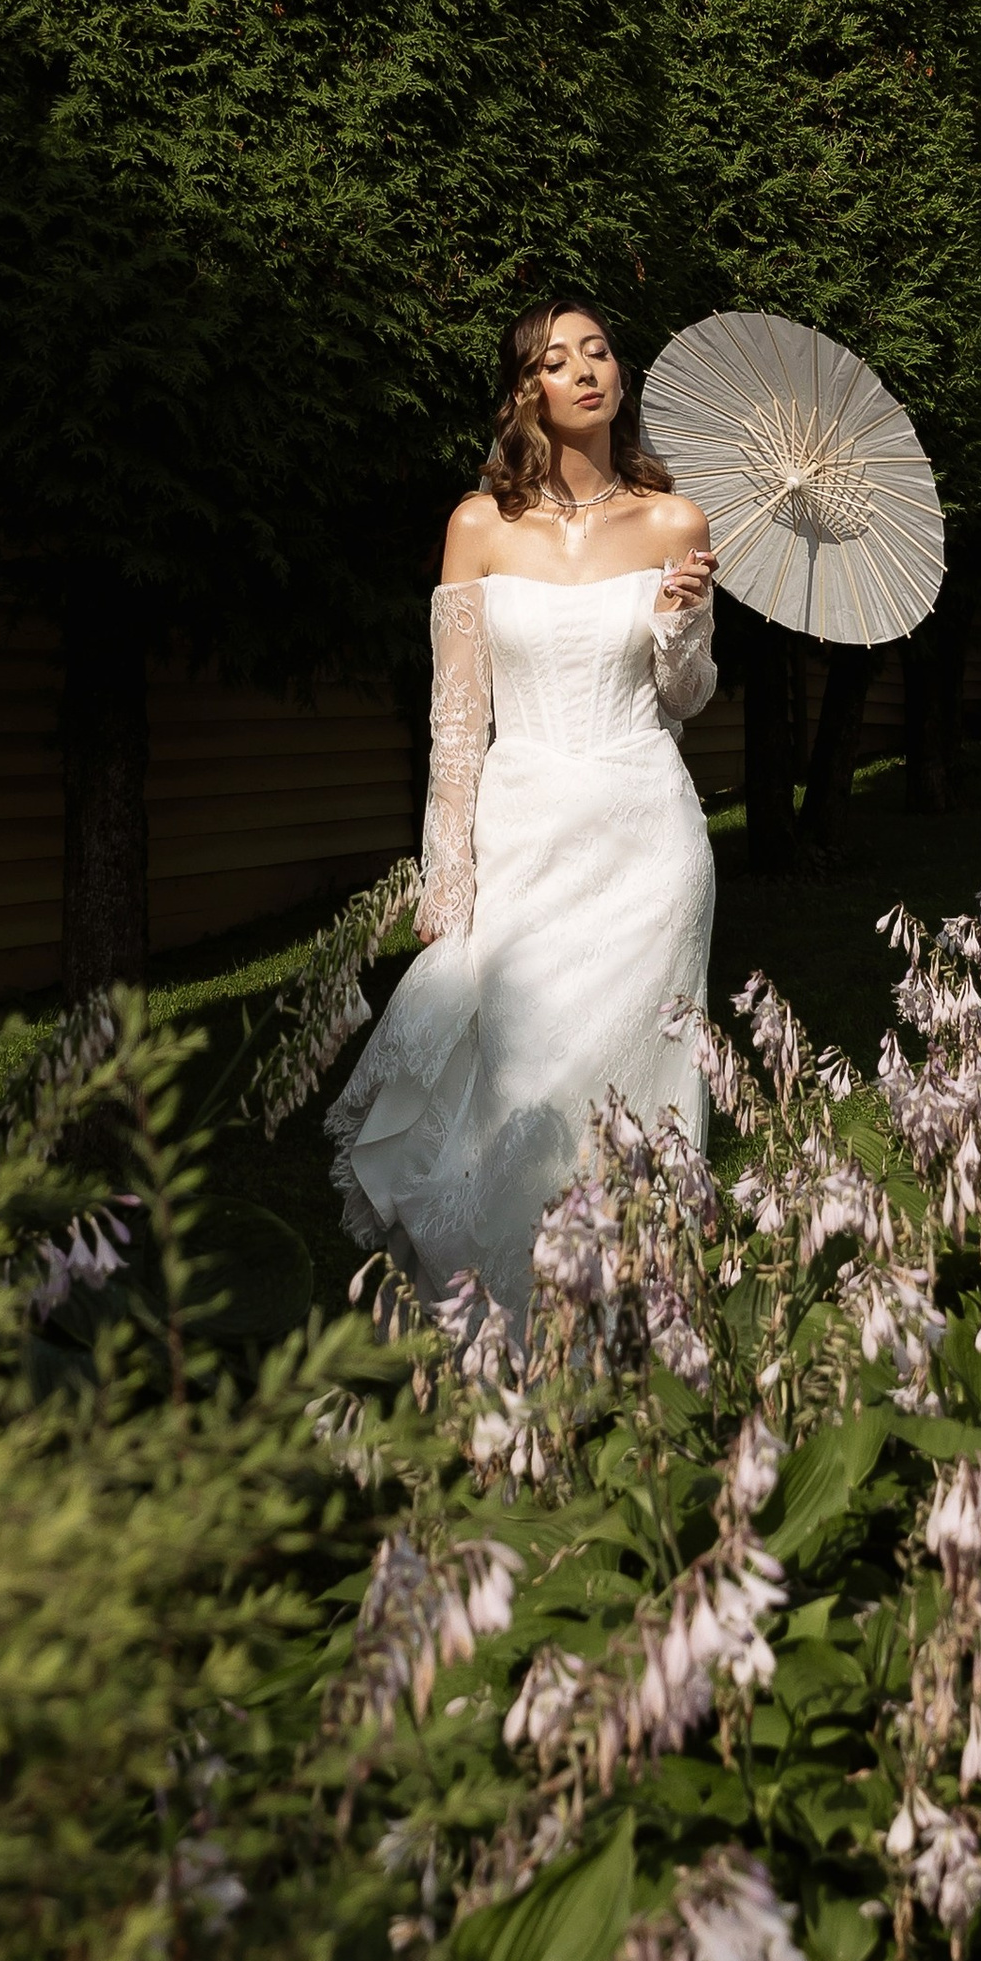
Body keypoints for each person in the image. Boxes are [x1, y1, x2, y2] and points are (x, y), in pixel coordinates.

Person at [328, 298, 720, 1323]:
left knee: (629, 1082)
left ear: (618, 378)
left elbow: (687, 699)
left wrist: (679, 630)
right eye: (557, 359)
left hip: (648, 840)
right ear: (525, 392)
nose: (586, 369)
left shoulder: (675, 521)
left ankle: (625, 1316)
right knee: (515, 1072)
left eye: (598, 351)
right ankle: (494, 1308)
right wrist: (445, 873)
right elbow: (456, 720)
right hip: (527, 825)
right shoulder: (476, 525)